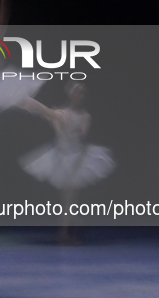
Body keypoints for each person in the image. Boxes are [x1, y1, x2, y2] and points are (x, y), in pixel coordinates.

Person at [18, 83, 115, 244]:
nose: (80, 96)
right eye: (77, 93)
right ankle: (67, 232)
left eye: (82, 93)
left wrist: (67, 124)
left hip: (77, 157)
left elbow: (82, 135)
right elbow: (56, 126)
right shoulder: (60, 113)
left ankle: (69, 231)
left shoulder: (84, 116)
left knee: (70, 199)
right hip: (61, 156)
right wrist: (57, 119)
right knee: (69, 199)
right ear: (71, 94)